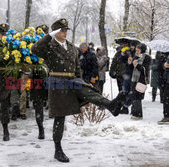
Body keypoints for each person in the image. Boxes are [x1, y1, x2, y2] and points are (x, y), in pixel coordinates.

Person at [31, 18, 125, 163]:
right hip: (57, 83)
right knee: (59, 117)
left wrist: (80, 80)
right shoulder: (49, 46)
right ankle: (58, 149)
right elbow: (35, 49)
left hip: (73, 80)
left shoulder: (71, 47)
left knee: (89, 91)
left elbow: (77, 67)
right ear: (56, 32)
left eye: (66, 30)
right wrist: (49, 35)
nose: (64, 33)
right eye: (61, 30)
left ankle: (110, 105)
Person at [128, 43, 151, 120]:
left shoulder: (147, 57)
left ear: (142, 49)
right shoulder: (135, 56)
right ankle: (134, 113)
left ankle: (138, 114)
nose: (137, 50)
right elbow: (131, 68)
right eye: (137, 49)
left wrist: (137, 65)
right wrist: (130, 63)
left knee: (138, 97)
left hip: (141, 79)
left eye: (139, 49)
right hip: (134, 79)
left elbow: (145, 69)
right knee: (133, 96)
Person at [157, 52, 169, 124]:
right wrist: (164, 65)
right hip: (166, 80)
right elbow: (159, 67)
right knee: (166, 99)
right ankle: (167, 116)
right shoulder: (165, 56)